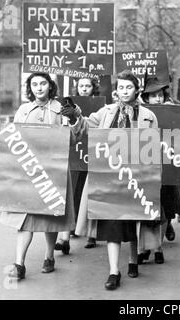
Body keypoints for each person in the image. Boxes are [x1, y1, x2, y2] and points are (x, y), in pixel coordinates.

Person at [62, 70, 158, 290]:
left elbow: (153, 149)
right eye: (121, 87)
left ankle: (133, 259)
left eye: (129, 87)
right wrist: (75, 115)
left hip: (136, 177)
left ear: (137, 90)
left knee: (135, 219)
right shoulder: (106, 112)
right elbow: (85, 128)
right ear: (116, 90)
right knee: (112, 223)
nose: (124, 92)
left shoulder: (148, 116)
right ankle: (114, 271)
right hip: (109, 175)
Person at [0, 72, 76, 280]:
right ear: (30, 88)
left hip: (54, 171)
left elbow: (73, 140)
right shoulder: (23, 110)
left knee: (50, 217)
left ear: (50, 86)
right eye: (34, 84)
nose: (39, 87)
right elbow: (13, 138)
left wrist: (73, 119)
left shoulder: (60, 109)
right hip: (29, 172)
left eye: (43, 83)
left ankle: (49, 256)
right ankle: (19, 264)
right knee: (25, 220)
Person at [137, 76, 180, 264]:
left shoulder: (174, 112)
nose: (157, 99)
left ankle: (157, 247)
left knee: (164, 210)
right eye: (152, 96)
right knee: (144, 209)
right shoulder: (139, 113)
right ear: (146, 98)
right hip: (145, 169)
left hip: (167, 168)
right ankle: (142, 248)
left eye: (160, 95)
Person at [55, 78, 100, 253]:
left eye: (88, 86)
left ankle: (92, 235)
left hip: (94, 153)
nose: (84, 89)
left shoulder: (101, 106)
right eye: (81, 86)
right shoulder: (68, 104)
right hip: (75, 154)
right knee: (71, 194)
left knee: (91, 196)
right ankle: (65, 237)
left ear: (93, 88)